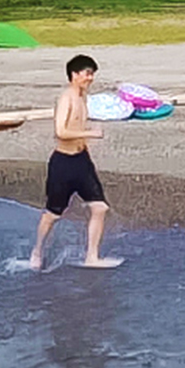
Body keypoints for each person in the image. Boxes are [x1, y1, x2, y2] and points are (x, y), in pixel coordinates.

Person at [32, 54, 119, 270]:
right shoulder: (66, 98)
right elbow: (60, 131)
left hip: (81, 160)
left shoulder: (83, 97)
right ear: (74, 74)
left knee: (100, 207)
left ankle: (92, 256)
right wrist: (90, 133)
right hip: (63, 163)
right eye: (87, 74)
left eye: (92, 74)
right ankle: (37, 250)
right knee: (53, 214)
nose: (90, 78)